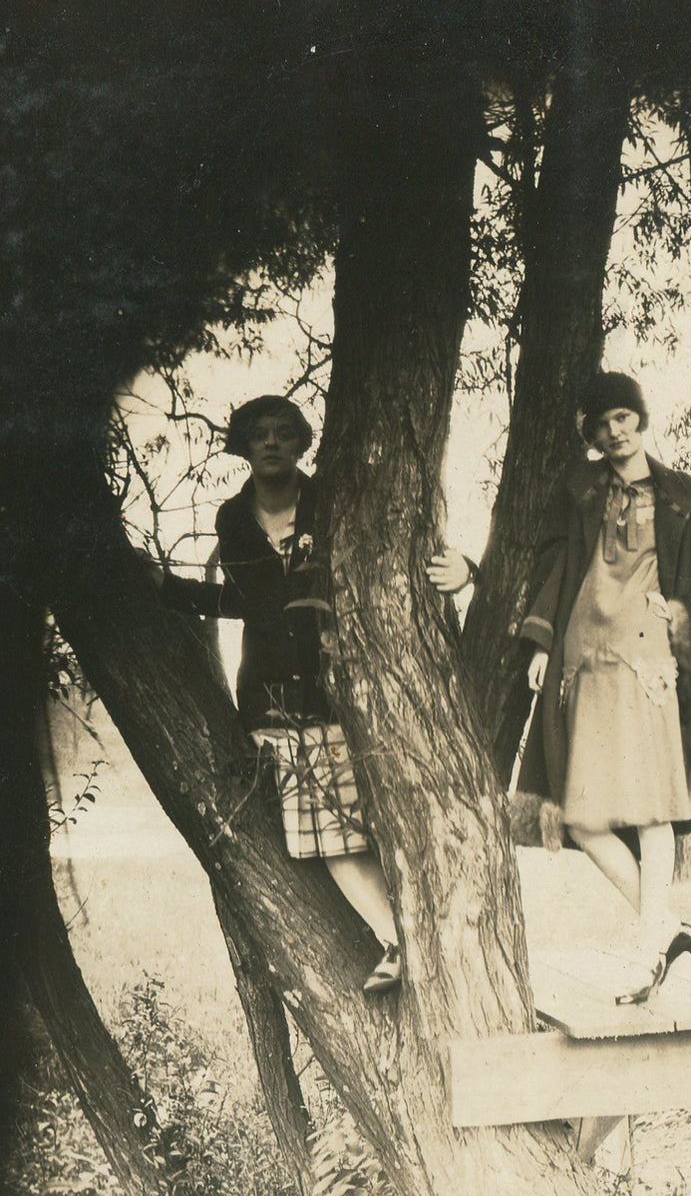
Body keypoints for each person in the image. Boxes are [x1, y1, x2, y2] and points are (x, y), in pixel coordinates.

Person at [161, 395, 473, 996]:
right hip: (273, 697)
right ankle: (402, 941)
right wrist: (170, 590)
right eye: (258, 434)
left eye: (284, 432)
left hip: (345, 693)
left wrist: (469, 569)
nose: (271, 443)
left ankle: (410, 941)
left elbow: (390, 561)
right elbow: (254, 602)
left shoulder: (330, 503)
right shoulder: (234, 518)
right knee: (325, 835)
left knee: (359, 829)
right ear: (243, 447)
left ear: (302, 443)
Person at [519, 372, 691, 1005]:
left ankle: (650, 941)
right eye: (602, 423)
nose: (614, 431)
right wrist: (541, 643)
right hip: (583, 660)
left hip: (649, 663)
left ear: (640, 419)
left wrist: (689, 621)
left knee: (651, 807)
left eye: (623, 417)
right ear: (592, 435)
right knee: (579, 816)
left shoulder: (686, 496)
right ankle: (665, 926)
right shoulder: (579, 490)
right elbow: (553, 566)